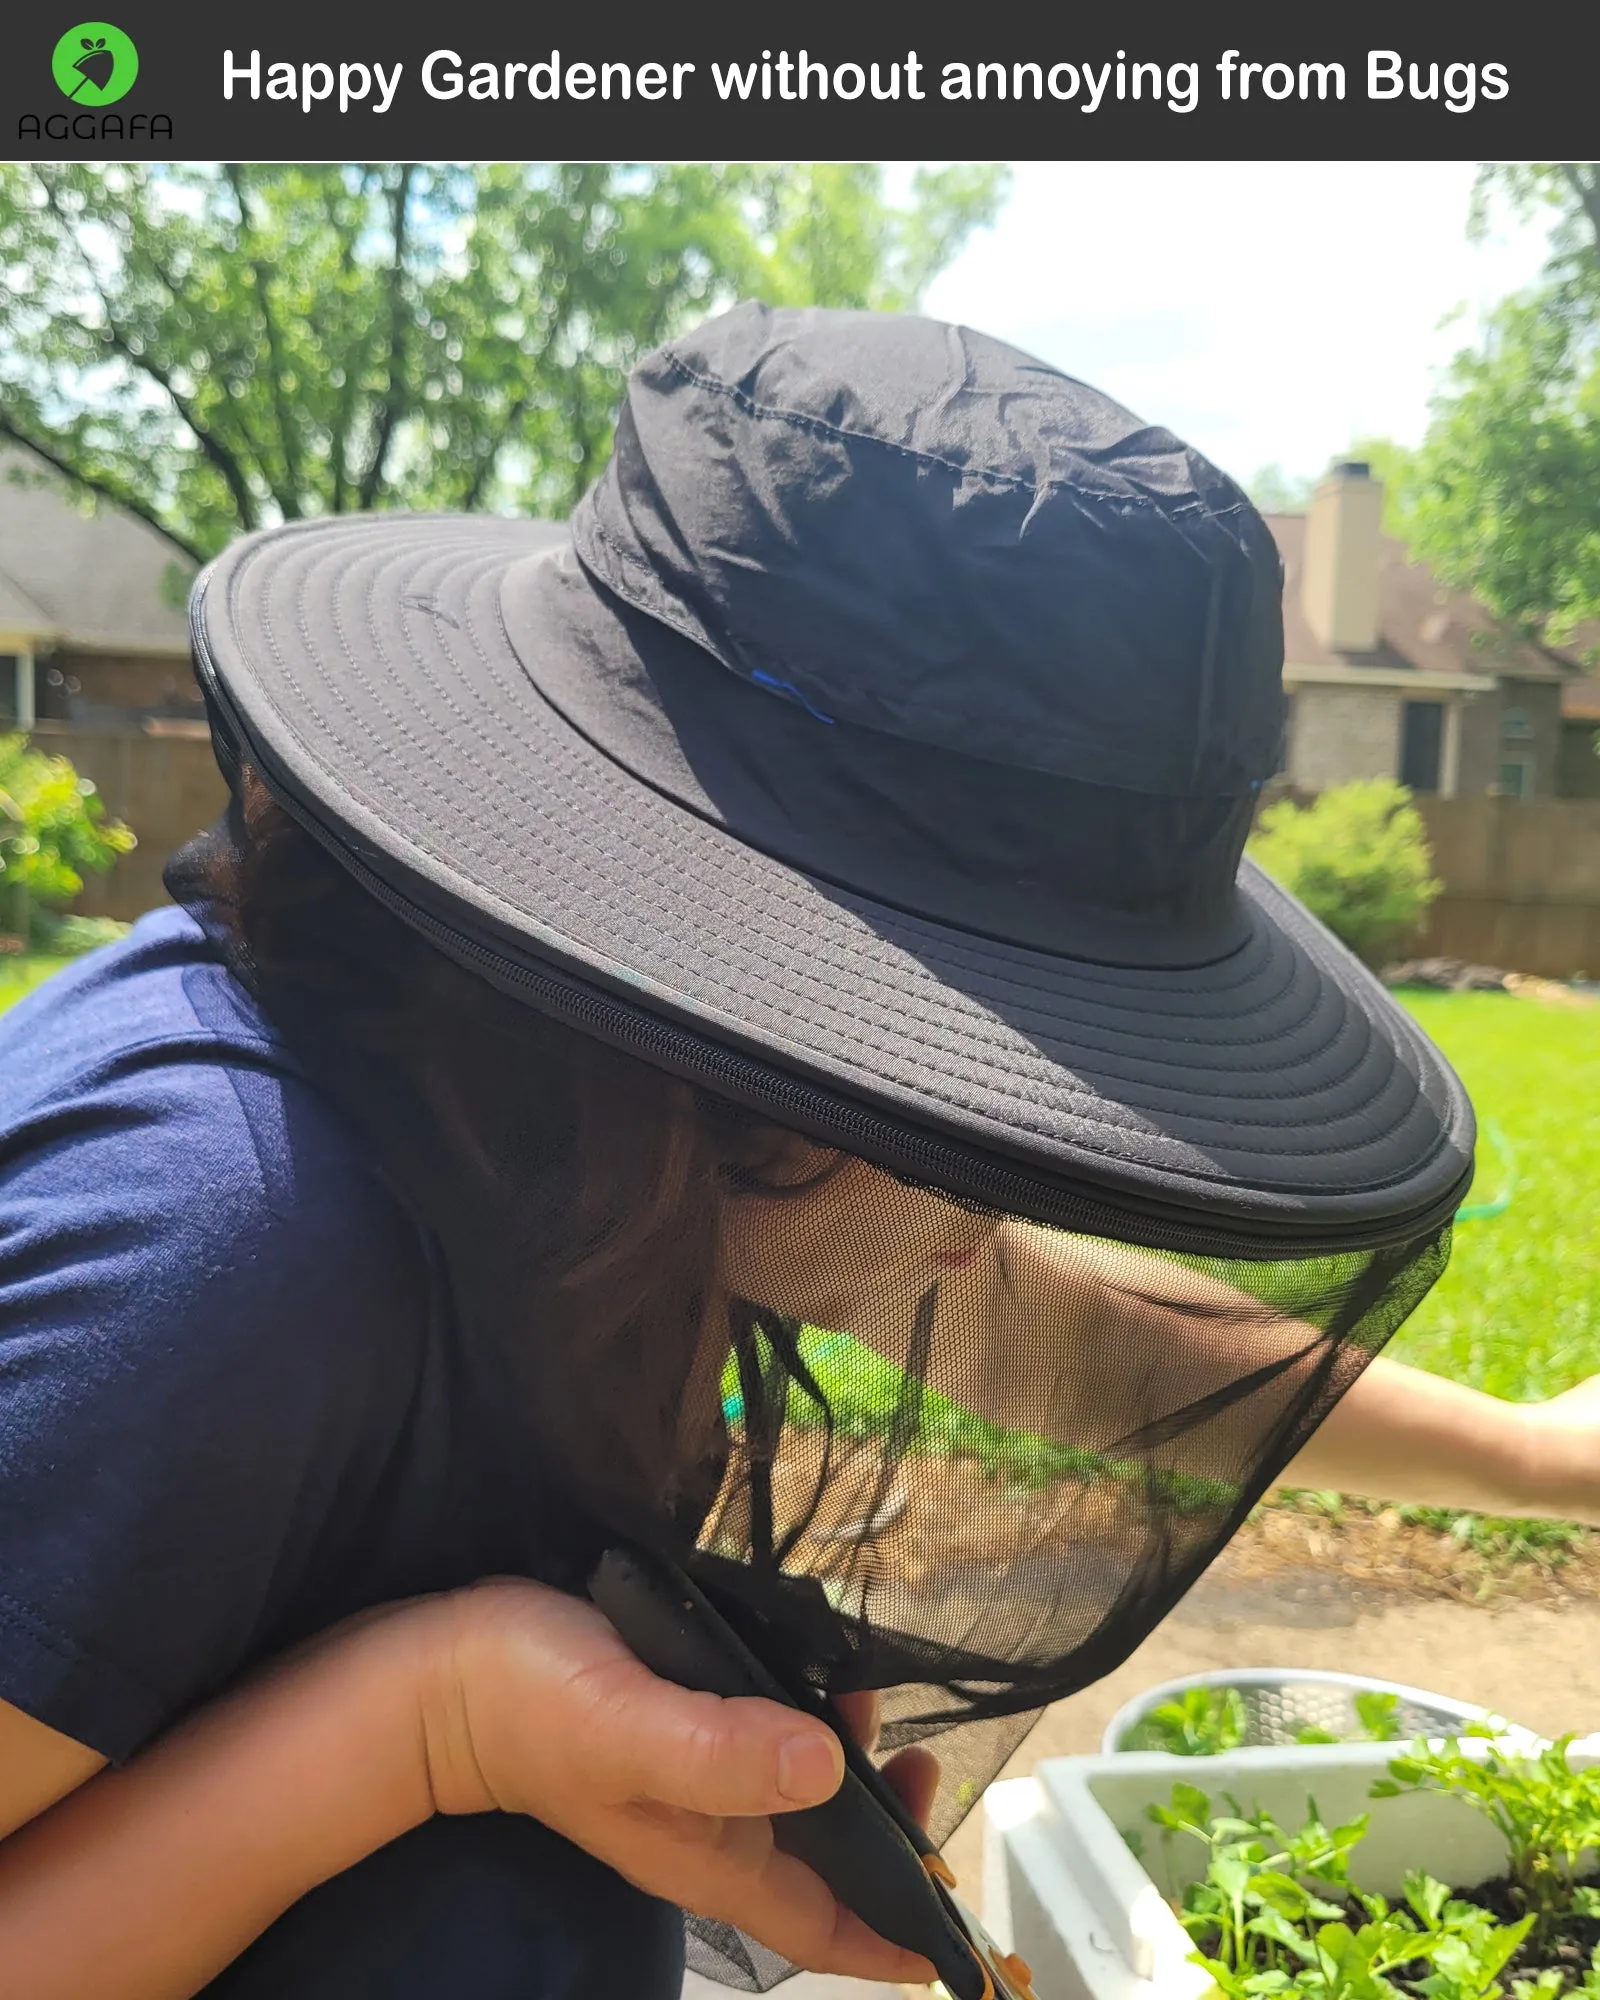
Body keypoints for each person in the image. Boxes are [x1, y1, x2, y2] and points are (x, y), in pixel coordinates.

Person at [2, 302, 1597, 2000]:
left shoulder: (581, 1123)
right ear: (740, 1029)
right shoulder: (213, 1258)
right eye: (977, 1117)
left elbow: (1066, 1328)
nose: (1009, 1219)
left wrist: (1545, 1461)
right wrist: (434, 1726)